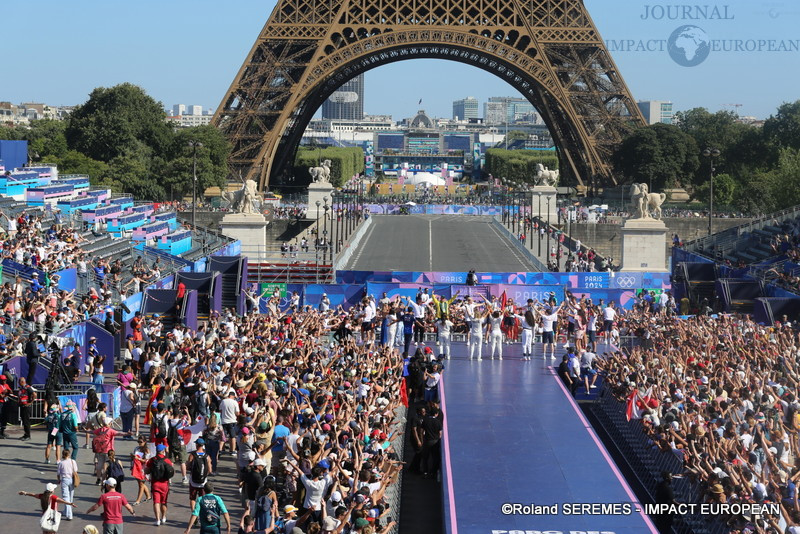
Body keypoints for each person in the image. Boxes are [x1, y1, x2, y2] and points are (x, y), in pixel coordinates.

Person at [145, 443, 175, 526]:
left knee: (156, 502)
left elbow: (146, 471)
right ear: (163, 451)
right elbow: (172, 471)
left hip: (155, 483)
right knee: (164, 502)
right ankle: (164, 517)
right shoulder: (167, 460)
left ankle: (157, 520)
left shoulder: (152, 460)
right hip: (164, 484)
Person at [187, 438, 213, 511]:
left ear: (196, 445)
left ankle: (194, 514)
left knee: (192, 499)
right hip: (203, 482)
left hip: (193, 481)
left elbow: (188, 467)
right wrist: (204, 474)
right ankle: (202, 514)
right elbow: (210, 470)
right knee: (203, 498)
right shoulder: (207, 456)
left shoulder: (192, 455)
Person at [56, 449, 79, 521]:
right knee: (70, 496)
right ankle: (66, 511)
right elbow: (75, 470)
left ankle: (69, 515)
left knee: (66, 497)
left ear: (63, 454)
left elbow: (58, 473)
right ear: (69, 454)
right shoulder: (73, 461)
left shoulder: (61, 463)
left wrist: (58, 479)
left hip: (64, 480)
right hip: (71, 479)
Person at [131, 435, 152, 506]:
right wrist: (132, 457)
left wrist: (138, 459)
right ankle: (148, 496)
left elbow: (147, 461)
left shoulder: (147, 450)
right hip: (136, 468)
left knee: (141, 484)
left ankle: (138, 500)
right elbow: (134, 457)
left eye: (141, 442)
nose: (139, 443)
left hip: (143, 469)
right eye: (138, 442)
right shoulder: (136, 448)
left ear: (145, 442)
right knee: (140, 483)